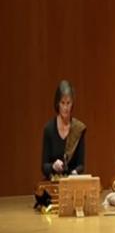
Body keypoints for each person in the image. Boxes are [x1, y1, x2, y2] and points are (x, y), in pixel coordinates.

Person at [36, 80, 86, 208]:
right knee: (40, 193)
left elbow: (81, 164)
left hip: (71, 185)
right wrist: (53, 166)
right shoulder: (49, 129)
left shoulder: (78, 128)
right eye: (62, 103)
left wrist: (75, 172)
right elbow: (44, 166)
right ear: (57, 104)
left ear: (72, 104)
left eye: (68, 103)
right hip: (54, 183)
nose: (65, 107)